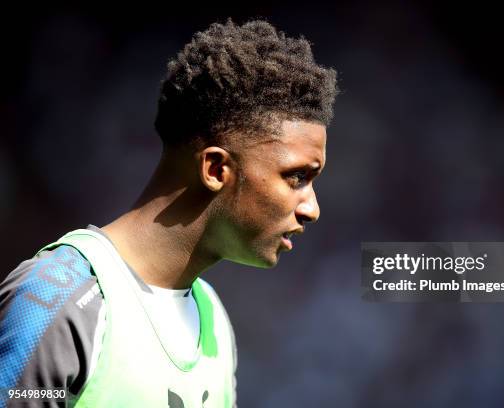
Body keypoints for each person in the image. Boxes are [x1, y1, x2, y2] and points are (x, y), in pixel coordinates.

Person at [0, 18, 338, 407]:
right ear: (215, 170)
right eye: (296, 177)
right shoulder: (58, 300)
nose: (311, 208)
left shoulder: (213, 320)